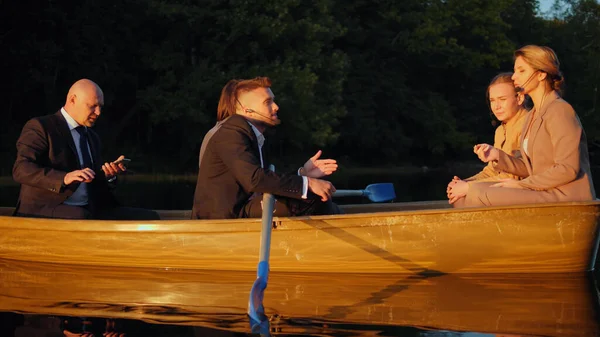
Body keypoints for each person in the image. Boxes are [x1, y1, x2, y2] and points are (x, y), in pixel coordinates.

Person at [455, 45, 595, 207]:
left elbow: (567, 169)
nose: (514, 77)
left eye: (521, 71)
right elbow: (531, 168)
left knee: (478, 192)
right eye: (515, 71)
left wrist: (522, 185)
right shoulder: (533, 115)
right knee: (462, 197)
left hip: (566, 194)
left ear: (541, 74)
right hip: (542, 190)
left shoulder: (560, 110)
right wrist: (498, 157)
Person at [192, 76, 342, 219]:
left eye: (274, 101)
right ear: (247, 110)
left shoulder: (251, 133)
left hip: (243, 208)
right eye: (268, 102)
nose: (276, 107)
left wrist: (302, 173)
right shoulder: (231, 133)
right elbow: (254, 179)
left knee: (312, 197)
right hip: (226, 217)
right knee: (311, 196)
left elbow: (266, 179)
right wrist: (307, 183)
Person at [12, 78, 159, 220]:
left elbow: (93, 181)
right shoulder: (41, 126)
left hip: (90, 207)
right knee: (82, 216)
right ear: (72, 100)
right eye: (92, 106)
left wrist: (109, 176)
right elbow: (21, 169)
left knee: (149, 217)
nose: (98, 112)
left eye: (100, 106)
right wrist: (64, 178)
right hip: (44, 208)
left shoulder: (92, 137)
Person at [446, 72, 529, 205]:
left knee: (465, 198)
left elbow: (518, 174)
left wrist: (469, 187)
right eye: (492, 101)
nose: (496, 106)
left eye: (502, 99)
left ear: (519, 98)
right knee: (458, 197)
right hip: (502, 187)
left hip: (524, 191)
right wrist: (464, 182)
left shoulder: (529, 124)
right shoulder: (500, 131)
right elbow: (491, 171)